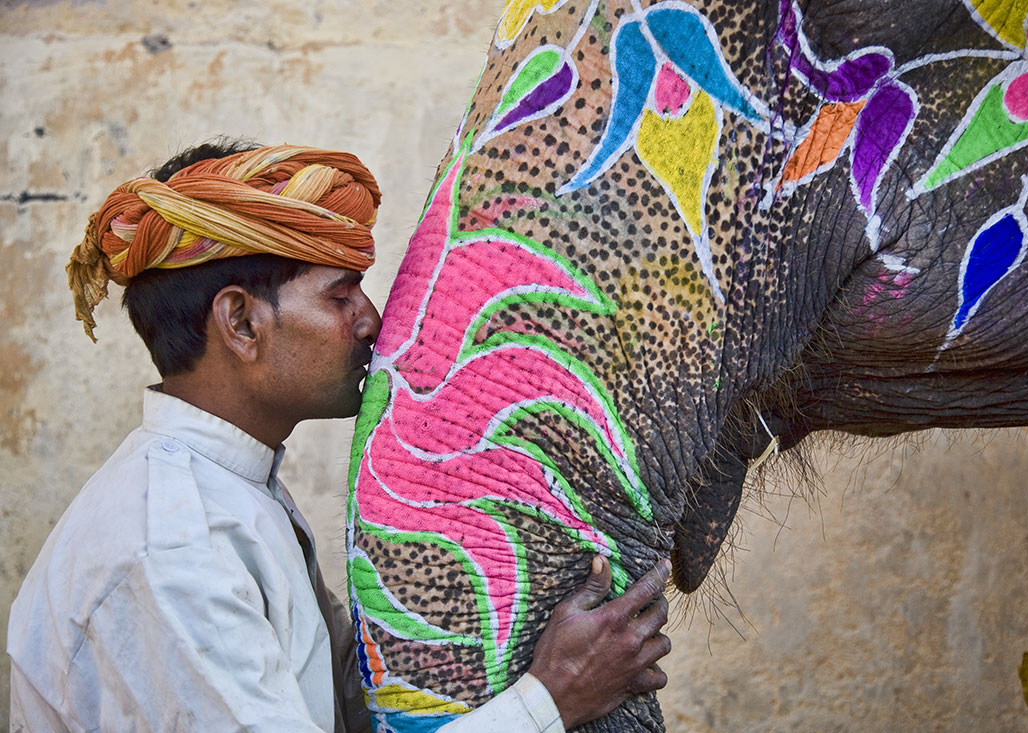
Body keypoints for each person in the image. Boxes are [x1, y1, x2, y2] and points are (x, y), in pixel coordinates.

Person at [7, 141, 672, 732]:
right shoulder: (173, 552)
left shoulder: (232, 496)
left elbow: (336, 703)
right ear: (240, 321)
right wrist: (551, 698)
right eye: (340, 295)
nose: (372, 321)